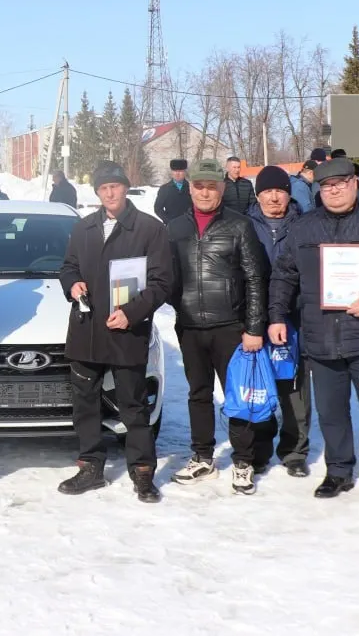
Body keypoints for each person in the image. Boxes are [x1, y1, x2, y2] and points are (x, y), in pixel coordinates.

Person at [268, 158, 359, 505]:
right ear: (319, 189)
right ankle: (338, 470)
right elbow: (284, 275)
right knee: (331, 412)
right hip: (321, 337)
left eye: (340, 183)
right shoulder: (303, 229)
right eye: (326, 185)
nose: (334, 190)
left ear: (354, 183)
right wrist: (275, 315)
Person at [57, 160, 172, 503]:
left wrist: (132, 314)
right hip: (87, 329)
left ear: (125, 188)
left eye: (115, 186)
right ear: (96, 193)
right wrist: (72, 284)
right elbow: (68, 266)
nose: (110, 192)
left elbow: (162, 282)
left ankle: (142, 472)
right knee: (86, 404)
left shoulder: (150, 229)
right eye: (103, 188)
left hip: (126, 331)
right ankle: (91, 466)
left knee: (133, 406)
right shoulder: (84, 228)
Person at [165, 159, 269, 494]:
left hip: (231, 327)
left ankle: (243, 461)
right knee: (198, 394)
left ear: (222, 189)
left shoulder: (240, 226)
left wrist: (254, 327)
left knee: (237, 396)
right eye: (199, 185)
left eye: (212, 186)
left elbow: (256, 279)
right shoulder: (175, 228)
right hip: (191, 326)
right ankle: (203, 457)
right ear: (191, 188)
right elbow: (164, 276)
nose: (205, 192)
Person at [246, 165, 311, 478]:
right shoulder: (245, 225)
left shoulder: (305, 224)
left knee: (294, 387)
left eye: (280, 190)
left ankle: (294, 451)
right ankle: (258, 449)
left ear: (289, 193)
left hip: (295, 316)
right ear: (258, 195)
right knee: (258, 384)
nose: (274, 197)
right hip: (257, 316)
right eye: (267, 191)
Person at [153, 158, 192, 223]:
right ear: (172, 172)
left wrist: (191, 219)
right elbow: (157, 208)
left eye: (180, 171)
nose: (177, 173)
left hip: (189, 225)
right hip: (170, 226)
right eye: (175, 171)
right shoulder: (164, 189)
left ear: (185, 172)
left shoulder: (191, 188)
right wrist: (168, 221)